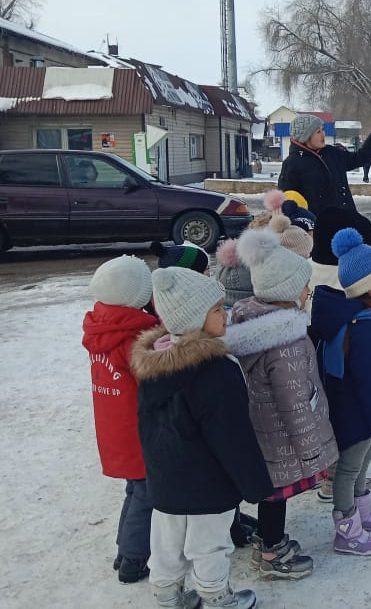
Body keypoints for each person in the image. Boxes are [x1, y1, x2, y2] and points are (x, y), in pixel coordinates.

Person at [132, 267, 272, 609]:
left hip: (166, 480)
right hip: (209, 482)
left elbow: (147, 428)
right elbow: (232, 436)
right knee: (209, 544)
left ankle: (167, 596)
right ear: (194, 319)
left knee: (167, 541)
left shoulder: (155, 365)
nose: (224, 314)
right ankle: (215, 596)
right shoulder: (217, 371)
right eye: (216, 309)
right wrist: (255, 485)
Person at [225, 228, 339, 580]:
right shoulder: (285, 340)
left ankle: (266, 539)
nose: (308, 291)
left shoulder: (250, 320)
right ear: (287, 292)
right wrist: (310, 451)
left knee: (271, 492)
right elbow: (295, 403)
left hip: (263, 430)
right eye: (304, 285)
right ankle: (272, 553)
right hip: (283, 437)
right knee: (277, 495)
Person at [308, 228, 371, 556]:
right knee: (349, 469)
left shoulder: (358, 317)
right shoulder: (363, 328)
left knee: (362, 462)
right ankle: (347, 530)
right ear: (367, 287)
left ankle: (362, 514)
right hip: (356, 412)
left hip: (353, 409)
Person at [82, 255, 160, 585]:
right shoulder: (133, 339)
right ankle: (133, 558)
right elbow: (155, 384)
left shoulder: (104, 329)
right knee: (147, 494)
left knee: (136, 490)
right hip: (137, 431)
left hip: (115, 428)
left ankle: (124, 549)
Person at [277, 114, 371, 214]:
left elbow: (360, 158)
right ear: (306, 137)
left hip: (348, 221)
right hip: (319, 230)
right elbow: (287, 203)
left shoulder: (331, 153)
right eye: (318, 132)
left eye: (323, 130)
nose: (323, 134)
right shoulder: (292, 163)